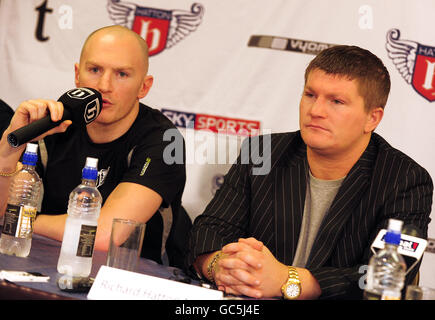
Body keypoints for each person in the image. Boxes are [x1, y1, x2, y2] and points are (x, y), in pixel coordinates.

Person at [186, 45, 433, 299]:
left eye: (336, 101)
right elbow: (209, 230)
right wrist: (220, 266)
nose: (315, 111)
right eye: (310, 95)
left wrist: (287, 280)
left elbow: (386, 277)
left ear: (372, 118)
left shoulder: (405, 180)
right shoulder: (262, 152)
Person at [0, 25, 189, 268]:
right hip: (45, 264)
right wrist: (9, 147)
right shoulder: (54, 124)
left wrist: (22, 221)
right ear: (78, 75)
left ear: (144, 86)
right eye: (95, 69)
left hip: (130, 280)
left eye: (122, 74)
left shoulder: (164, 140)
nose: (104, 85)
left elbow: (103, 235)